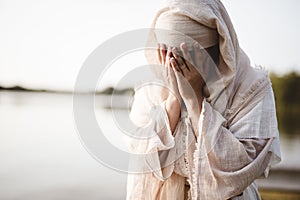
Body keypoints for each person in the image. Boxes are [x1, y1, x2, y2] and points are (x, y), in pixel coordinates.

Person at [125, 0, 281, 199]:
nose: (175, 65)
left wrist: (194, 99)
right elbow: (144, 158)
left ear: (218, 49)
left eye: (188, 58)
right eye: (169, 56)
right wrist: (174, 98)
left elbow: (236, 172)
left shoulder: (251, 88)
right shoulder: (151, 89)